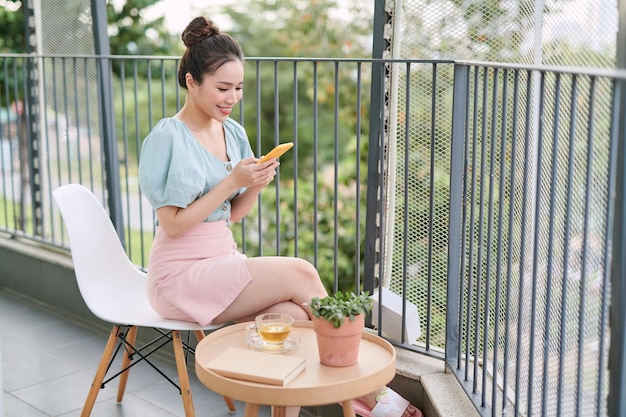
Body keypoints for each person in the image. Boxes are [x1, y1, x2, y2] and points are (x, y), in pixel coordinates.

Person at [138, 16, 421, 417]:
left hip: (220, 261)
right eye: (222, 88)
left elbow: (233, 214)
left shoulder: (231, 132)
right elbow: (172, 224)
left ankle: (341, 404)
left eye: (238, 88)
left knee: (289, 319)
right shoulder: (168, 136)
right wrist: (230, 180)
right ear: (191, 82)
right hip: (178, 277)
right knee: (300, 271)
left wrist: (254, 182)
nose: (231, 97)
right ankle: (374, 394)